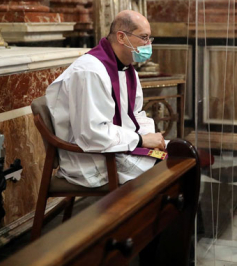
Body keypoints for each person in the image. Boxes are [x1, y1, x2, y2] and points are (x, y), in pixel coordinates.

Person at [45, 10, 165, 188]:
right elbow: (92, 133)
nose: (148, 44)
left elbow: (135, 113)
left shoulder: (126, 69)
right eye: (144, 37)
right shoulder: (90, 72)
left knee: (178, 158)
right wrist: (140, 141)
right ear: (121, 37)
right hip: (92, 159)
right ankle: (130, 215)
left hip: (118, 148)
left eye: (149, 38)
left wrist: (147, 137)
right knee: (166, 173)